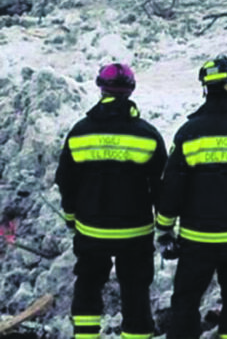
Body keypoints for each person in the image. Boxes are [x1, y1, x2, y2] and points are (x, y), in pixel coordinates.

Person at [157, 55, 227, 339]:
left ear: (205, 88)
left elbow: (172, 186)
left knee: (186, 302)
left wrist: (164, 228)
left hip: (199, 239)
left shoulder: (189, 134)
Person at [56, 62, 167, 339]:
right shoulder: (146, 134)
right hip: (135, 232)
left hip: (91, 229)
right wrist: (164, 223)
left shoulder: (80, 132)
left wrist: (71, 217)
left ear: (101, 88)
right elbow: (163, 184)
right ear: (130, 90)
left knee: (88, 284)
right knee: (136, 290)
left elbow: (66, 180)